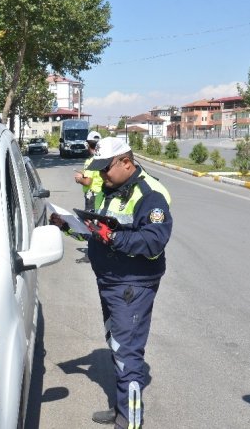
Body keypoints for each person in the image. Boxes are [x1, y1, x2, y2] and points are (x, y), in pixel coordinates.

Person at [50, 137, 172, 429]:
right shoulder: (109, 189)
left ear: (126, 163)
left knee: (127, 353)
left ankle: (130, 422)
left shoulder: (150, 193)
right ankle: (121, 409)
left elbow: (154, 242)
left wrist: (115, 238)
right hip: (109, 279)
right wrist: (67, 225)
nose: (102, 175)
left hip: (133, 283)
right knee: (116, 345)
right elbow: (97, 231)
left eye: (106, 169)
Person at [74, 131, 104, 211]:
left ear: (87, 145)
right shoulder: (104, 158)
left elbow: (87, 182)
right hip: (102, 194)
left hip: (92, 196)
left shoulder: (90, 161)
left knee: (90, 220)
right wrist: (84, 174)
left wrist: (79, 179)